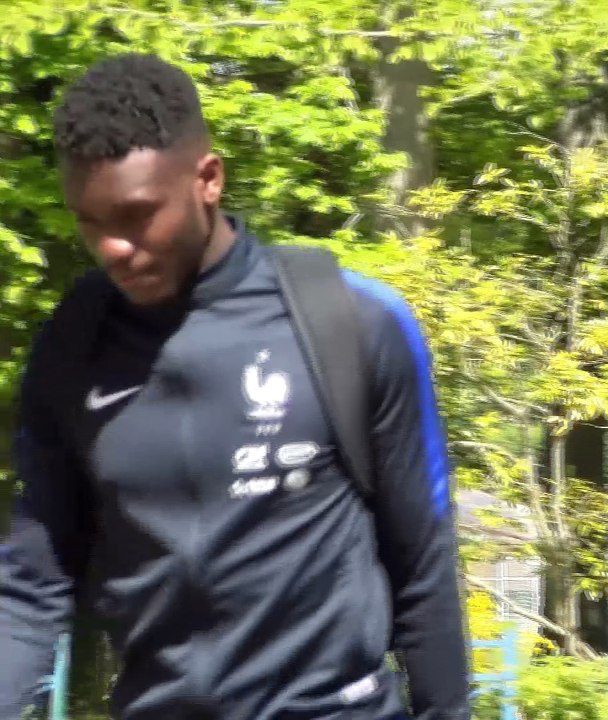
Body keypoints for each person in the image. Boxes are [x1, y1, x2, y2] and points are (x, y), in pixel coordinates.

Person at [0, 54, 471, 720]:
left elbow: (424, 564)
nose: (112, 248)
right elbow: (33, 584)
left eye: (137, 215)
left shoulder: (350, 322)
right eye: (90, 222)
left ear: (208, 180)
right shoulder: (73, 349)